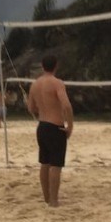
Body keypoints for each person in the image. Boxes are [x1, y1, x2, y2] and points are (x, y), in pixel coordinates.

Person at [27, 54, 74, 207]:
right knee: (55, 165)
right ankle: (54, 200)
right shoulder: (57, 83)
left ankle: (47, 197)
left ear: (42, 66)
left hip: (42, 126)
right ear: (56, 66)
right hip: (55, 126)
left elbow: (30, 107)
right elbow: (66, 105)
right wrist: (70, 125)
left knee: (44, 163)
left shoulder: (35, 84)